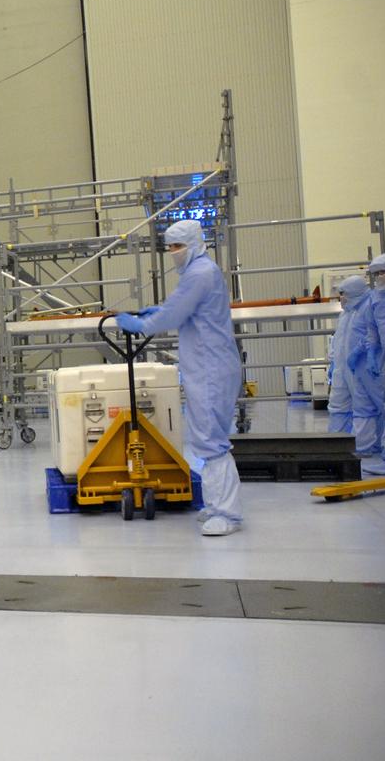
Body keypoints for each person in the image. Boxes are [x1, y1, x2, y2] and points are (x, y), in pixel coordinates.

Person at [116, 219, 243, 536]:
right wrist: (157, 309)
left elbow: (176, 313)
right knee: (205, 437)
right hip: (205, 366)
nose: (173, 253)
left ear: (195, 243)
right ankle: (215, 506)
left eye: (177, 246)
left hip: (211, 368)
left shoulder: (200, 273)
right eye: (169, 247)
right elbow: (183, 307)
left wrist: (143, 324)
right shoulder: (198, 273)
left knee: (212, 440)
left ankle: (227, 514)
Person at [331, 276, 385, 473]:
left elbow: (372, 336)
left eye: (344, 294)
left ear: (355, 293)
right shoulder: (347, 313)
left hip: (366, 366)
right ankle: (335, 443)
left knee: (375, 407)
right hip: (346, 367)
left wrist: (360, 353)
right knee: (342, 406)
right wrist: (333, 363)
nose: (341, 299)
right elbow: (339, 340)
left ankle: (376, 448)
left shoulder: (368, 306)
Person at [353, 252, 385, 472]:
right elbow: (372, 330)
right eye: (377, 274)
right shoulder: (376, 297)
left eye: (384, 272)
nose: (381, 276)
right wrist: (372, 352)